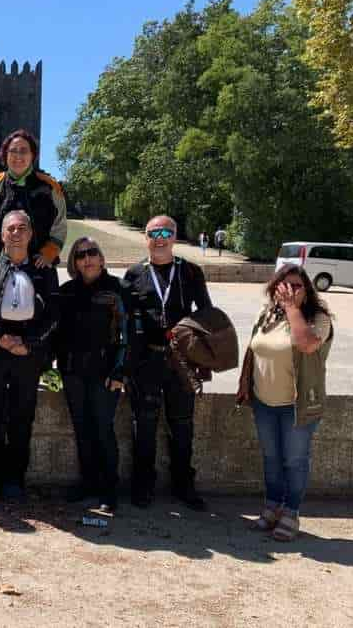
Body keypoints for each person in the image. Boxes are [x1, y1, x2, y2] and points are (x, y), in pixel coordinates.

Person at [0, 210, 59, 501]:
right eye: (10, 229)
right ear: (2, 235)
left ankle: (14, 477)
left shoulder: (45, 270)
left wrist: (29, 344)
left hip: (27, 355)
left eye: (22, 228)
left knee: (21, 417)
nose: (16, 233)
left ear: (31, 234)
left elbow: (54, 316)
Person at [237, 264, 333, 541]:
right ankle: (272, 506)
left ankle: (291, 512)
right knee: (271, 459)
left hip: (297, 404)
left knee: (294, 460)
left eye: (296, 286)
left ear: (308, 289)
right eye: (284, 285)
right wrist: (245, 384)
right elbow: (253, 350)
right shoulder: (266, 314)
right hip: (264, 402)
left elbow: (306, 345)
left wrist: (292, 308)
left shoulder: (318, 318)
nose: (289, 291)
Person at [0, 129, 67, 386]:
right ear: (5, 155)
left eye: (24, 151)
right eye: (13, 151)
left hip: (37, 265)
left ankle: (43, 367)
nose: (18, 156)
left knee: (42, 318)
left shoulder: (49, 186)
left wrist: (47, 254)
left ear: (33, 155)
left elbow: (60, 226)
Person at [124, 215, 212, 510]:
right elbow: (122, 321)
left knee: (182, 425)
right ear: (145, 237)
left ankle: (184, 485)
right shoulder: (134, 274)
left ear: (174, 236)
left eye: (166, 232)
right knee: (144, 425)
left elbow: (207, 314)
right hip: (146, 360)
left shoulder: (190, 272)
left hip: (181, 362)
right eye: (153, 232)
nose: (159, 238)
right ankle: (142, 485)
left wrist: (203, 357)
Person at [54, 237, 132, 514]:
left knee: (103, 430)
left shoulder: (119, 289)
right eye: (80, 254)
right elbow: (56, 332)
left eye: (92, 253)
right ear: (74, 262)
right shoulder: (66, 292)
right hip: (73, 372)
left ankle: (108, 490)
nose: (87, 259)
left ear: (101, 258)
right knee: (82, 429)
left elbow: (129, 333)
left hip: (106, 373)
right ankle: (88, 484)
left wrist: (121, 370)